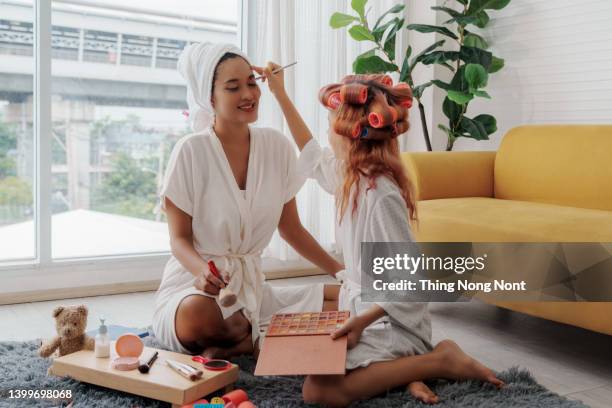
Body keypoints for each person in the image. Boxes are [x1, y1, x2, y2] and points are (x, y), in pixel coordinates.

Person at [256, 64, 504, 406]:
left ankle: (439, 359)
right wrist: (280, 93)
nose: (327, 136)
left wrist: (362, 322)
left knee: (318, 391)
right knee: (306, 354)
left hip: (394, 322)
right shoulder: (350, 175)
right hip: (362, 311)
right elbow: (310, 153)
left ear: (349, 136)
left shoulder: (380, 194)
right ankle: (405, 371)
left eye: (330, 129)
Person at [152, 43, 343, 359]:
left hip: (251, 292)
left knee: (349, 298)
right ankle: (248, 336)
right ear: (210, 98)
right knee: (200, 314)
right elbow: (179, 240)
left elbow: (291, 229)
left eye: (251, 83)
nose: (248, 94)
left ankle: (244, 337)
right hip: (195, 290)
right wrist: (203, 273)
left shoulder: (277, 146)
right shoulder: (190, 151)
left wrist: (340, 272)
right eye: (233, 87)